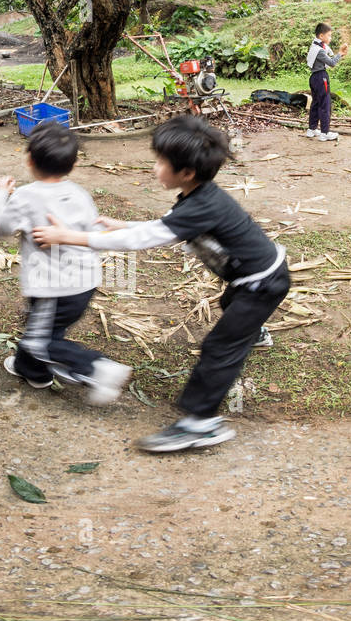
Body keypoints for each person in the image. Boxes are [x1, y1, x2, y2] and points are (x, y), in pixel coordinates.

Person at [32, 114, 289, 453]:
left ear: (186, 172)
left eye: (161, 162)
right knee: (233, 308)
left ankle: (200, 424)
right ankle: (253, 331)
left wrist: (69, 236)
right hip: (253, 278)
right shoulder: (198, 197)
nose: (155, 168)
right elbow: (166, 227)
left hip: (262, 283)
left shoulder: (202, 205)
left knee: (218, 348)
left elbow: (143, 240)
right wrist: (121, 223)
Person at [0, 122, 129, 403]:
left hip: (54, 287)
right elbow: (90, 232)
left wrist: (0, 194)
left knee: (38, 340)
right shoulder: (79, 194)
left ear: (29, 159)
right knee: (47, 328)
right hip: (85, 281)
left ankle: (98, 368)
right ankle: (33, 372)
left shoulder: (26, 197)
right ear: (73, 164)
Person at [307, 23, 339, 142]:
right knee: (325, 104)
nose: (330, 38)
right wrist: (340, 54)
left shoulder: (315, 46)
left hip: (313, 78)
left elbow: (328, 52)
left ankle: (312, 129)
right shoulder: (319, 50)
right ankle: (325, 132)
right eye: (329, 35)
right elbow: (332, 63)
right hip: (321, 77)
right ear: (321, 36)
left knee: (315, 103)